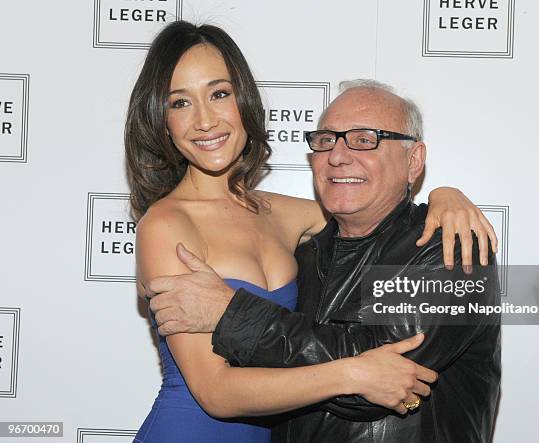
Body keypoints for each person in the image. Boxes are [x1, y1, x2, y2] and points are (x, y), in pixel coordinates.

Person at [131, 21, 497, 443]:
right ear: (162, 122)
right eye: (180, 102)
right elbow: (215, 393)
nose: (205, 120)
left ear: (243, 102)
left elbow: (375, 213)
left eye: (219, 94)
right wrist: (352, 373)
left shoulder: (287, 215)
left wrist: (444, 196)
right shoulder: (164, 225)